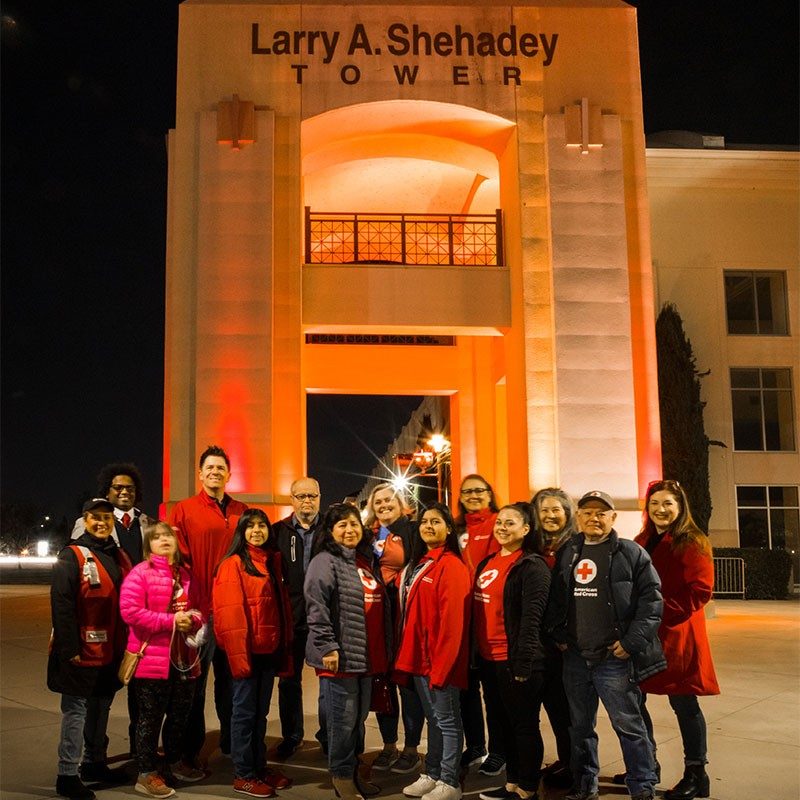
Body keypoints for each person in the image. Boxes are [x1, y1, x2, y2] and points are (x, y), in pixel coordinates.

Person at [545, 490, 665, 800]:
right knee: (580, 729)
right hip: (575, 657)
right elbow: (556, 599)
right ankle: (586, 786)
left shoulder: (631, 553)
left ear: (613, 518)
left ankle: (642, 787)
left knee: (629, 726)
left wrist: (631, 642)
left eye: (602, 513)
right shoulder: (568, 551)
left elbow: (652, 602)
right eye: (587, 512)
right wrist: (559, 635)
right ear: (578, 517)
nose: (594, 518)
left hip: (614, 658)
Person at [636, 480, 719, 800]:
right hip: (646, 635)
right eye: (655, 503)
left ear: (680, 506)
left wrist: (654, 615)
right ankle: (646, 764)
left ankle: (696, 774)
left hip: (679, 634)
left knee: (684, 703)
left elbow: (699, 592)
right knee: (635, 699)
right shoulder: (643, 539)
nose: (661, 509)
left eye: (668, 503)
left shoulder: (692, 541)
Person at [304, 503, 391, 800]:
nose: (349, 529)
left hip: (365, 657)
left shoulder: (363, 561)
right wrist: (328, 645)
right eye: (341, 525)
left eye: (353, 524)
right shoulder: (324, 561)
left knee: (357, 720)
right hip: (339, 658)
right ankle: (341, 776)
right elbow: (316, 608)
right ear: (330, 532)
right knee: (342, 721)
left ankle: (353, 771)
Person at [49, 498, 132, 800]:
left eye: (107, 518)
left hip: (109, 650)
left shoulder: (116, 554)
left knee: (100, 707)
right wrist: (69, 649)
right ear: (84, 520)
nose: (101, 523)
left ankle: (93, 764)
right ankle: (67, 774)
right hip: (79, 651)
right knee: (75, 712)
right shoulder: (71, 555)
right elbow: (62, 603)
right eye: (95, 517)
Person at [169, 444, 248, 764]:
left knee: (232, 684)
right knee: (194, 686)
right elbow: (176, 562)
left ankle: (232, 743)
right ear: (200, 474)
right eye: (209, 468)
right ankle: (190, 750)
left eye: (221, 468)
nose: (215, 472)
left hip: (232, 613)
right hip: (199, 613)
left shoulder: (242, 511)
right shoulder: (184, 510)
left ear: (229, 475)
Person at [72, 462, 155, 757]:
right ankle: (95, 756)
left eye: (129, 488)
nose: (123, 492)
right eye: (117, 487)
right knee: (100, 693)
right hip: (106, 621)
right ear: (107, 491)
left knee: (141, 691)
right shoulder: (91, 522)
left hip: (139, 621)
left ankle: (140, 749)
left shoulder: (148, 524)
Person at [119, 521, 205, 797]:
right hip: (151, 661)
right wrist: (171, 621)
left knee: (180, 716)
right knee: (149, 719)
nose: (164, 540)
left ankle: (173, 762)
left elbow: (199, 609)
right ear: (148, 546)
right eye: (157, 537)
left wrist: (193, 620)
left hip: (184, 660)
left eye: (168, 536)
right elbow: (130, 612)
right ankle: (145, 773)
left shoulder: (187, 575)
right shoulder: (140, 574)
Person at [213, 509, 294, 798]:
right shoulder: (233, 564)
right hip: (246, 654)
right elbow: (230, 617)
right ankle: (243, 774)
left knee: (260, 714)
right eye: (251, 526)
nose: (257, 530)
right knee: (243, 714)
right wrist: (239, 659)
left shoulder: (271, 561)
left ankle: (259, 768)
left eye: (262, 526)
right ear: (242, 531)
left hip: (268, 652)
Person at [472, 503, 551, 800]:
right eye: (500, 522)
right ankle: (511, 784)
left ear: (526, 529)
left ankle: (528, 787)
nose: (502, 527)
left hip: (514, 659)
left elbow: (533, 618)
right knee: (503, 723)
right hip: (488, 659)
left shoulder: (532, 565)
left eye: (511, 523)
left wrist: (523, 663)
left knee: (524, 726)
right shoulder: (488, 562)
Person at [396, 503, 471, 800]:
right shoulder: (425, 562)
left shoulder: (451, 565)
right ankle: (433, 773)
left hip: (439, 663)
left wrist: (441, 667)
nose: (428, 526)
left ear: (448, 529)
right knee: (435, 720)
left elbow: (453, 624)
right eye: (425, 521)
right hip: (420, 661)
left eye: (436, 522)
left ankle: (450, 781)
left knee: (448, 722)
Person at [363, 483, 424, 775]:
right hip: (378, 618)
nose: (384, 505)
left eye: (389, 500)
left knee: (407, 684)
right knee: (383, 682)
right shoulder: (371, 535)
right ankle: (389, 745)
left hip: (405, 615)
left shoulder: (412, 531)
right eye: (378, 503)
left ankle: (411, 748)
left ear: (401, 503)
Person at [272, 477, 325, 759]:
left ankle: (327, 735)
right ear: (291, 499)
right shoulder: (277, 532)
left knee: (328, 682)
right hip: (291, 619)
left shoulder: (331, 530)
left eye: (312, 496)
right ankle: (292, 736)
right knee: (289, 681)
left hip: (323, 620)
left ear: (320, 497)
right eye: (301, 496)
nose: (307, 501)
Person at [453, 474, 503, 775]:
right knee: (467, 690)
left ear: (489, 494)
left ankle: (499, 750)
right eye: (466, 491)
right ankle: (475, 746)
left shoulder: (498, 522)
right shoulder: (457, 527)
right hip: (462, 620)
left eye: (478, 490)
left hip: (490, 619)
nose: (472, 495)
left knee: (494, 693)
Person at [529, 488, 576, 789]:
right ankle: (565, 761)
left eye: (555, 509)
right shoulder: (535, 548)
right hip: (540, 643)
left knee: (567, 712)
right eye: (543, 510)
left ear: (567, 513)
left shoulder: (575, 547)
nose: (549, 515)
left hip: (564, 644)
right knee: (552, 708)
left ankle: (575, 768)